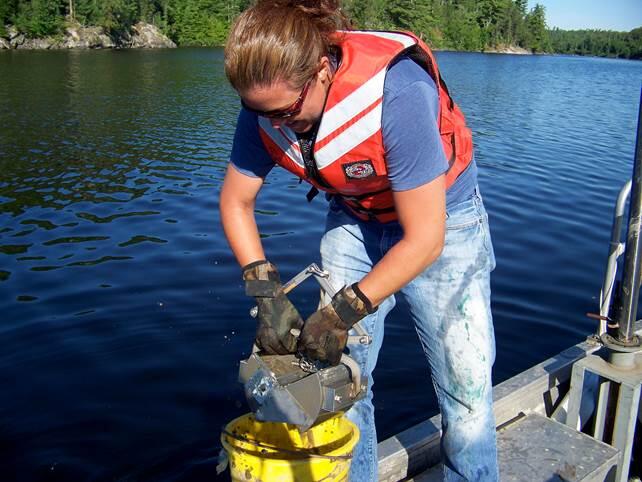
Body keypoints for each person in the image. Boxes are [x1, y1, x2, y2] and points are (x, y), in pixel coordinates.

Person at [220, 1, 498, 480]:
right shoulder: (266, 108)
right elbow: (235, 203)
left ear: (322, 70)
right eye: (261, 112)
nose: (277, 124)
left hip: (445, 224)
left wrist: (344, 310)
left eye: (287, 111)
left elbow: (425, 238)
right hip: (357, 218)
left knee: (466, 393)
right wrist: (265, 292)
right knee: (337, 384)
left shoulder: (398, 90)